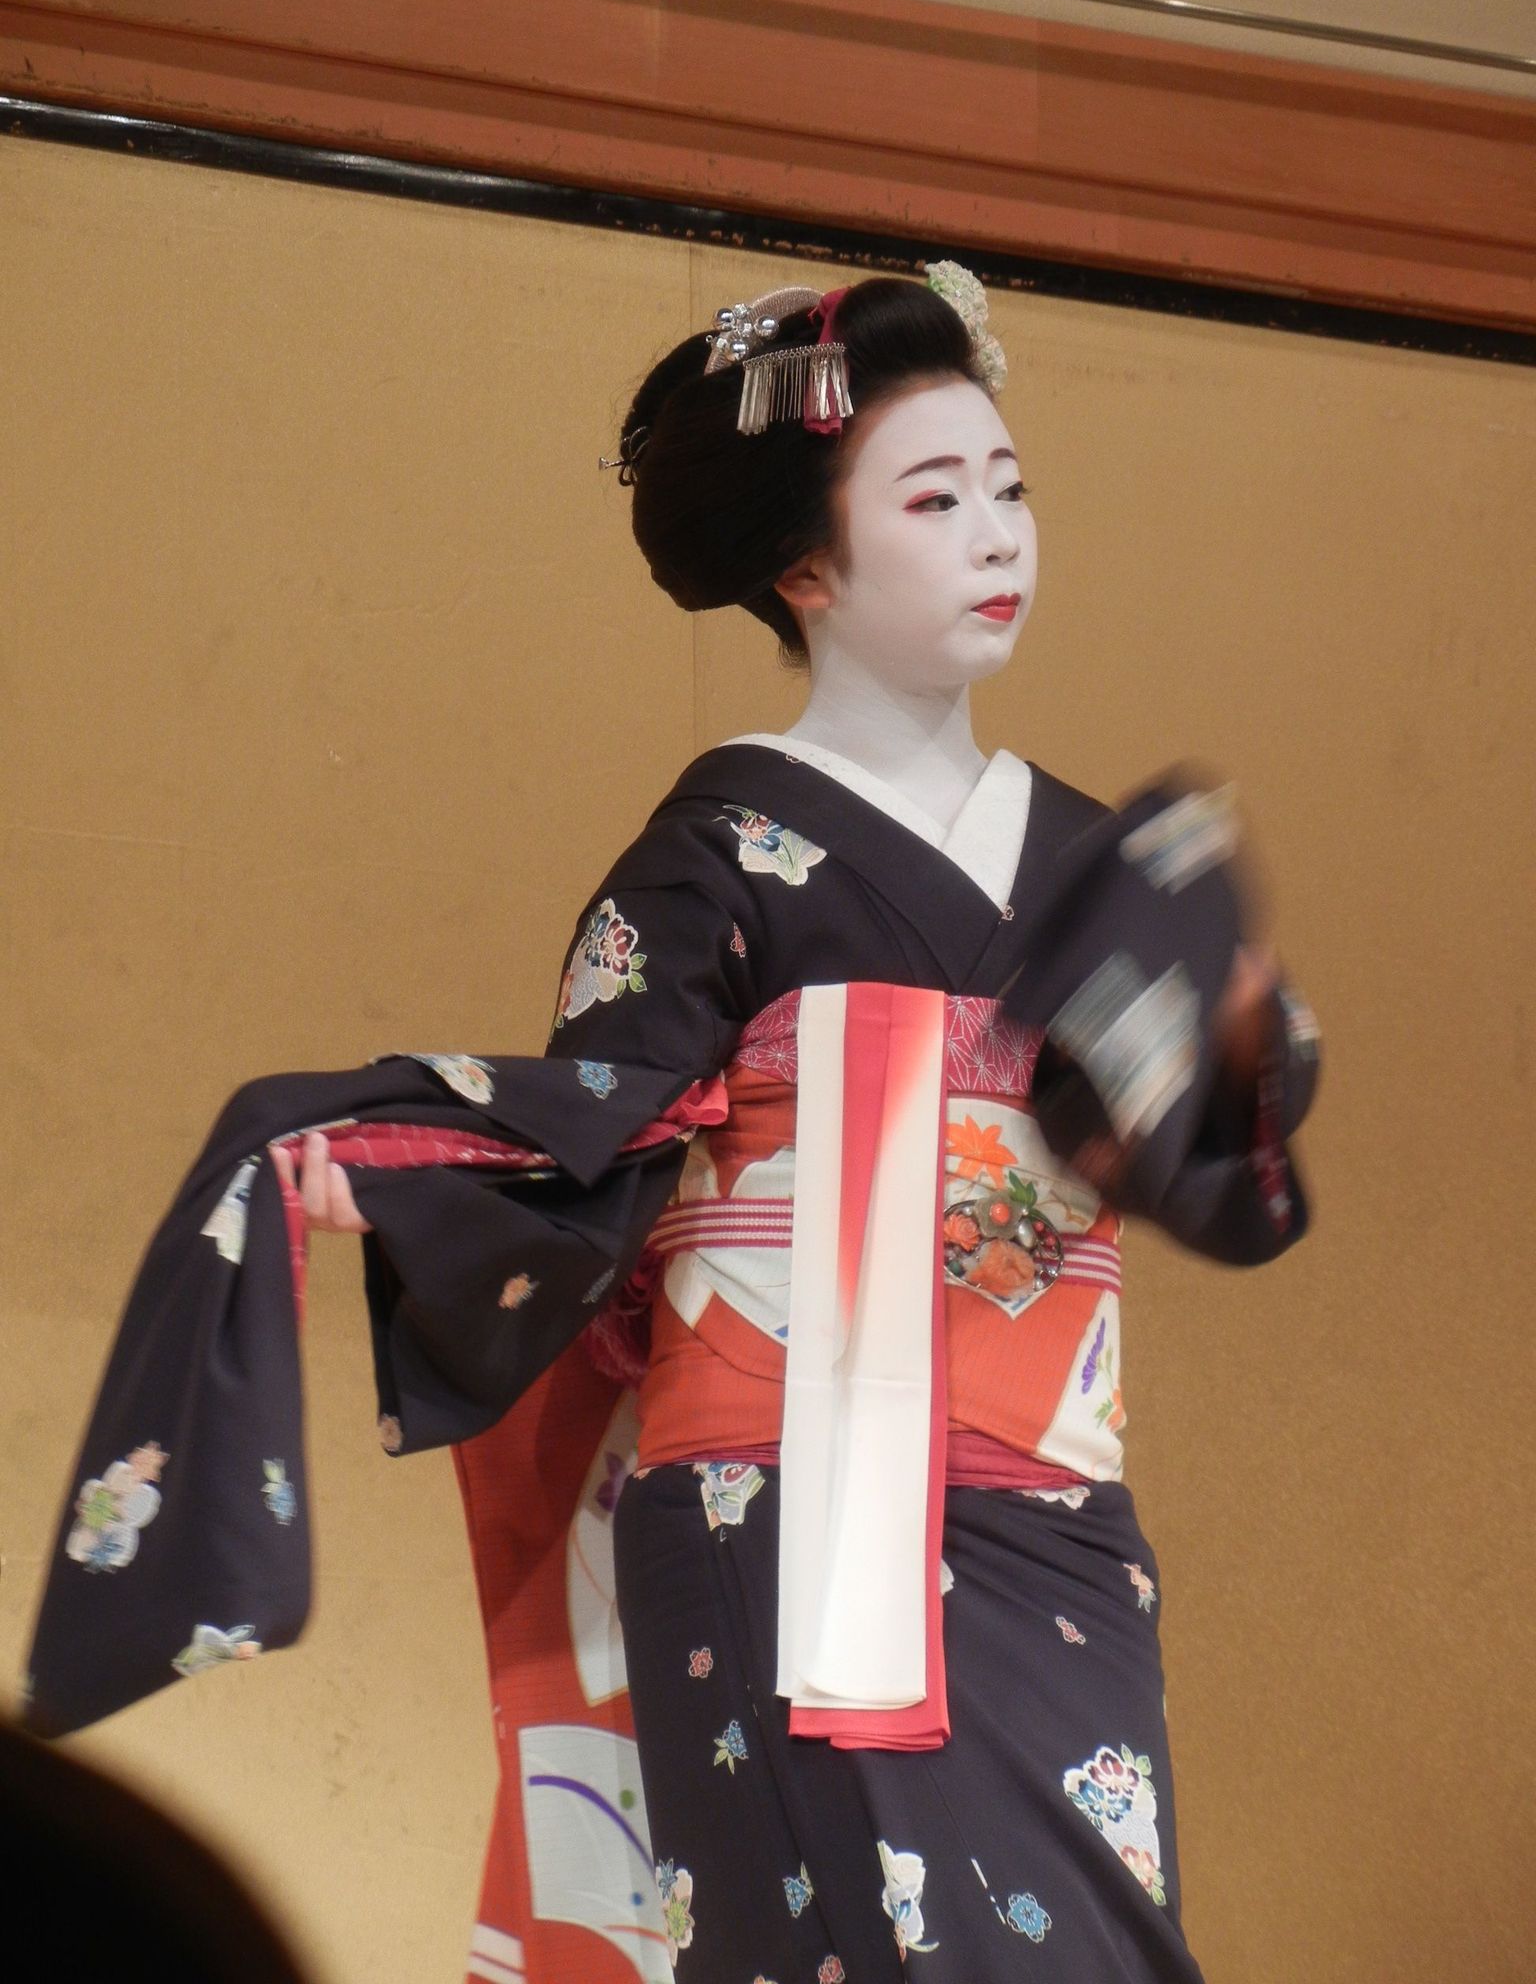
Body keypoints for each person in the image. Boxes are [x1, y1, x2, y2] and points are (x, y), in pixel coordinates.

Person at [271, 267, 1320, 1981]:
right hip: (775, 1497)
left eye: (1011, 489)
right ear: (807, 567)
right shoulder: (719, 849)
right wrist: (396, 1173)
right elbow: (590, 1114)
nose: (998, 535)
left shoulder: (1088, 854)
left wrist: (1226, 1049)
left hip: (1042, 1511)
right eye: (935, 499)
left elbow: (1222, 1149)